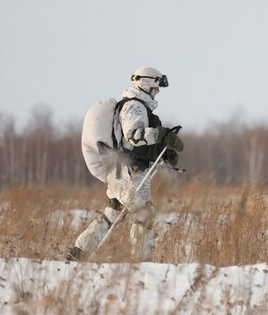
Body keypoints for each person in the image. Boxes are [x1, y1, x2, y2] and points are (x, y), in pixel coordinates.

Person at [66, 66, 184, 262]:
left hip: (122, 168)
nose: (158, 92)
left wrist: (164, 153)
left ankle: (77, 254)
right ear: (146, 84)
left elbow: (136, 143)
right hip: (129, 169)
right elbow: (135, 137)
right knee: (144, 213)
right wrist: (162, 135)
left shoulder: (137, 105)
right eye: (156, 87)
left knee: (114, 211)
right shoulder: (135, 106)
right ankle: (139, 264)